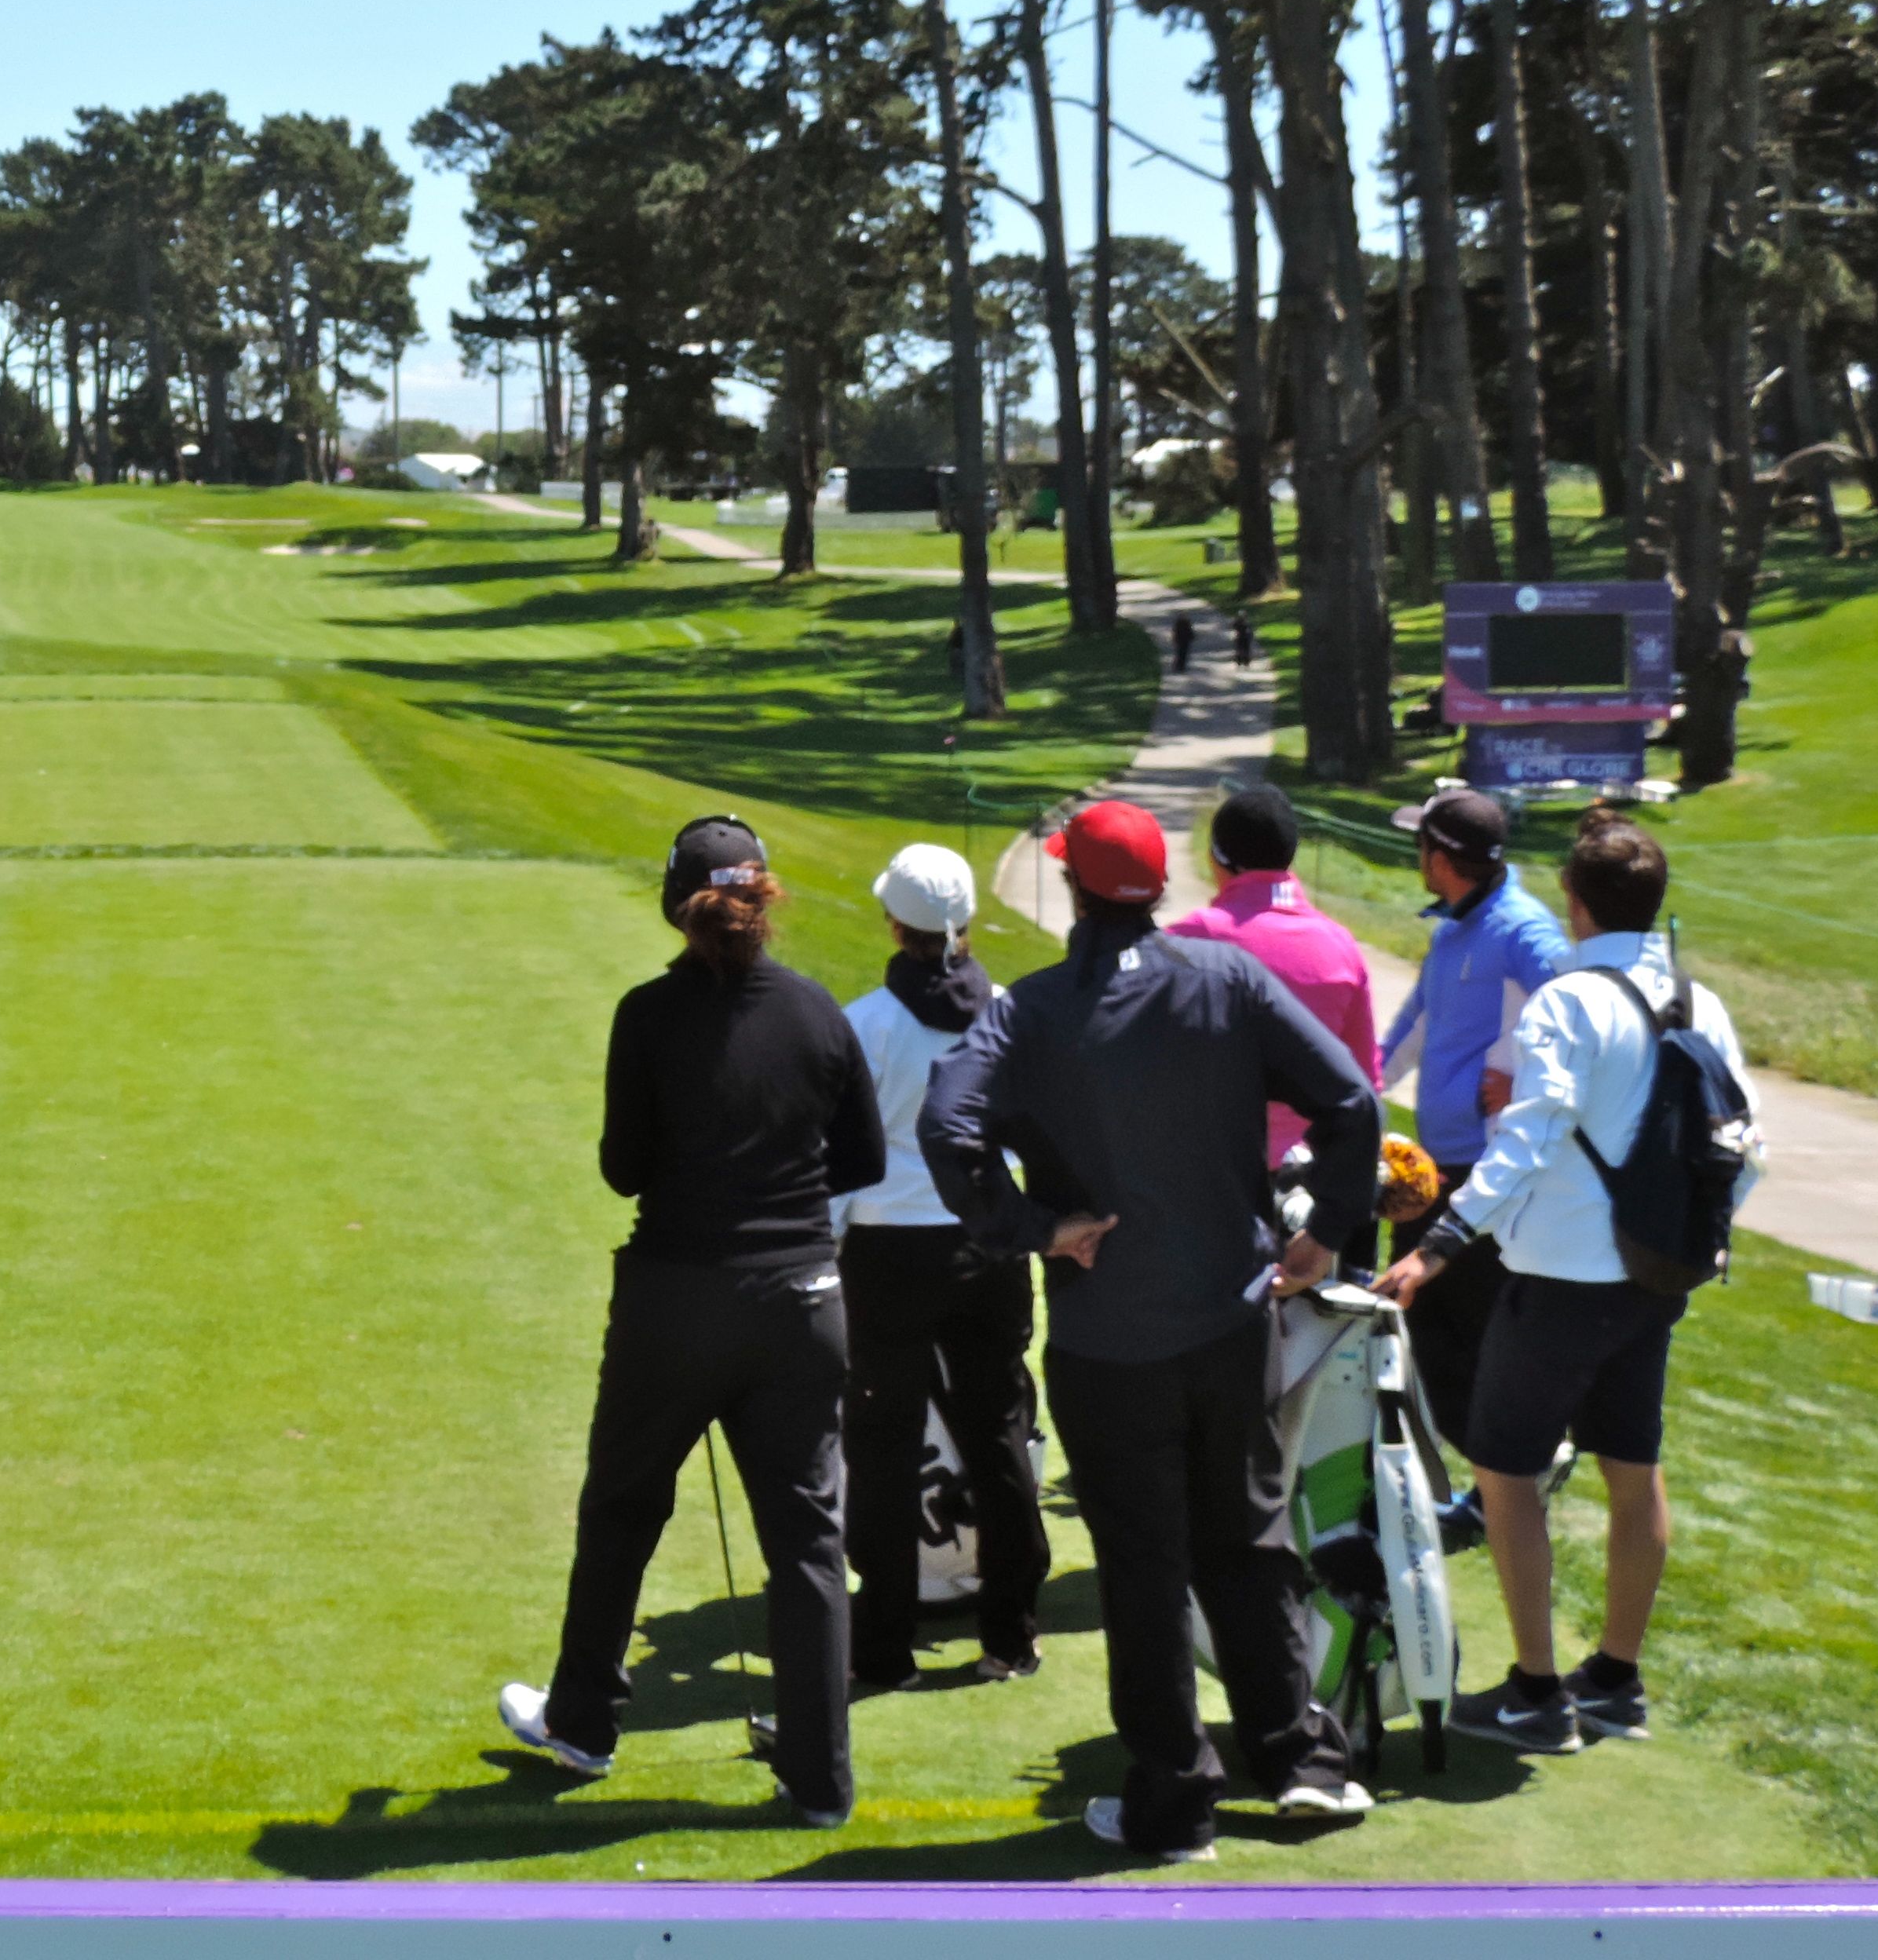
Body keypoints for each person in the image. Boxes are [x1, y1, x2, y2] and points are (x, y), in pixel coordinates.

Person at [921, 798, 1382, 1864]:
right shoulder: (1226, 980)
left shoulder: (1030, 1010)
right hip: (1229, 1323)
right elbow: (1350, 1101)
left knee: (1144, 1564)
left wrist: (1034, 1230)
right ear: (1161, 883)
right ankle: (1301, 1762)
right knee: (1249, 1539)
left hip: (1107, 1340)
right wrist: (1326, 1236)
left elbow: (948, 1126)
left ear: (1072, 886)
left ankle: (1176, 1802)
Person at [499, 816, 885, 1824]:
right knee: (806, 1540)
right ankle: (820, 1777)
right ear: (766, 900)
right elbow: (864, 1162)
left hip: (676, 1301)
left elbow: (624, 1168)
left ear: (679, 903)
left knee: (622, 1508)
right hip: (802, 1300)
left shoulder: (647, 1014)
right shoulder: (819, 1015)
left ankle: (581, 1723)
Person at [1376, 808, 1763, 1754]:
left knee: (1505, 1476)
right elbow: (1744, 1150)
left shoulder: (1565, 1002)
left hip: (1558, 1280)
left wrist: (1439, 1244)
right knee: (1636, 1471)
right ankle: (1617, 1680)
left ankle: (1538, 1694)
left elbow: (1529, 1138)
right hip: (1655, 1280)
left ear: (1576, 904)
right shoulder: (1699, 1002)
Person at [835, 842, 1049, 1696]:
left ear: (896, 922)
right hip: (987, 1240)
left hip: (889, 1250)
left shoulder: (864, 1024)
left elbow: (842, 1162)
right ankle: (1012, 1633)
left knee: (882, 1446)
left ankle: (882, 1647)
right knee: (997, 1425)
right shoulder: (1006, 1011)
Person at [1374, 787, 1574, 1447]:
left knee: (1478, 1337)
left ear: (1442, 858)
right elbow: (1412, 1027)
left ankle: (1512, 1474)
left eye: (1421, 843)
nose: (1418, 855)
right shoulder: (1457, 926)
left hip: (1490, 1174)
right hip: (1438, 1172)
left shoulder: (1522, 931)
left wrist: (1523, 1076)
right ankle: (1472, 1480)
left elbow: (1578, 1010)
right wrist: (1358, 1088)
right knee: (1422, 1333)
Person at [1161, 785, 1382, 1195]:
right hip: (1311, 1194)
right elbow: (1366, 1082)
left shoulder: (1182, 943)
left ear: (1215, 857)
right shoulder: (1341, 946)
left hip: (1208, 1181)